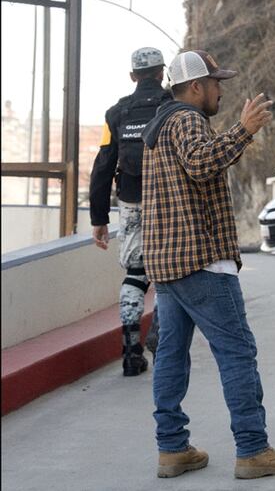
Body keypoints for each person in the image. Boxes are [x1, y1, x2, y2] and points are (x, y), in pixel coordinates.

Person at [142, 50, 275, 480]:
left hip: (167, 264)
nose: (220, 90)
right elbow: (201, 164)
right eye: (215, 83)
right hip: (201, 262)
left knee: (172, 356)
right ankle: (253, 449)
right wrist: (243, 131)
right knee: (237, 353)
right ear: (195, 87)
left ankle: (172, 449)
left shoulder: (158, 125)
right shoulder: (189, 120)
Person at [89, 47, 170, 376]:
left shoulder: (116, 112)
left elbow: (103, 165)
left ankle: (130, 349)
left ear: (132, 76)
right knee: (170, 273)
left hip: (131, 201)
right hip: (168, 200)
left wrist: (99, 219)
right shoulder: (172, 106)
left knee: (136, 274)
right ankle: (162, 337)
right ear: (162, 72)